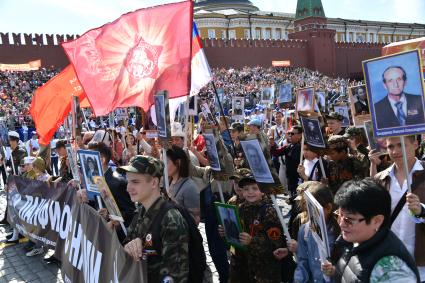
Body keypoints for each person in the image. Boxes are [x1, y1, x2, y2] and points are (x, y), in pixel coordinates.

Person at [321, 179, 420, 282]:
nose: (341, 223)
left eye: (348, 219)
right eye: (339, 215)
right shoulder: (356, 239)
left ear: (377, 221)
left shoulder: (391, 270)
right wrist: (335, 272)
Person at [117, 155, 190, 282]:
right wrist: (129, 247)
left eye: (135, 182)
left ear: (154, 183)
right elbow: (127, 245)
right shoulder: (141, 210)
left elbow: (175, 277)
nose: (128, 188)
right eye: (128, 181)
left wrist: (142, 247)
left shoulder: (171, 219)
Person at [374, 135, 425, 280]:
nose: (395, 151)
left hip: (421, 266)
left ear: (415, 144)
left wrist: (421, 211)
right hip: (389, 261)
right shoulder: (380, 179)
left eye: (400, 145)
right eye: (391, 146)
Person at [285, 181, 340, 283]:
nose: (310, 214)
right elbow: (303, 261)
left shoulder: (340, 231)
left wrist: (335, 271)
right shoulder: (304, 230)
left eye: (313, 209)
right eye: (307, 209)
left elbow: (347, 264)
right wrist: (299, 279)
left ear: (328, 208)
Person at [167, 145, 201, 225]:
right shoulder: (169, 182)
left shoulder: (190, 187)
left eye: (167, 162)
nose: (163, 165)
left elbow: (195, 220)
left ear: (178, 162)